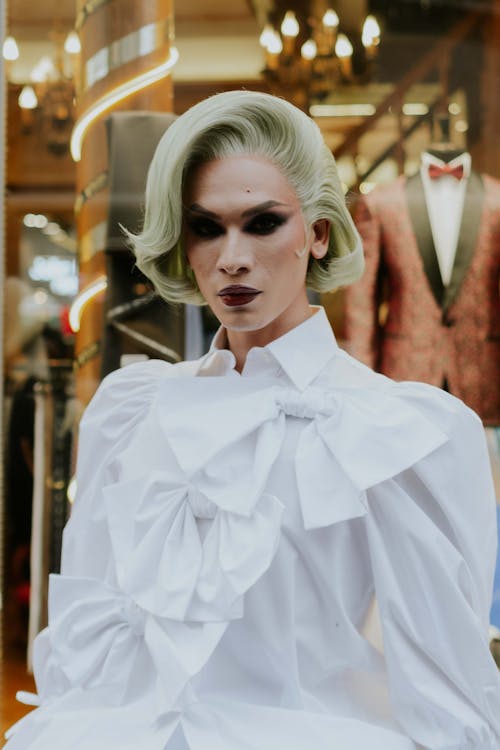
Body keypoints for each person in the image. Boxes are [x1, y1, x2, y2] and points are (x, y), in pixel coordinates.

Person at [5, 90, 500, 750]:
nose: (232, 258)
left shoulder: (402, 433)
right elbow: (93, 644)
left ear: (318, 232)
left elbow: (447, 686)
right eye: (207, 227)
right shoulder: (132, 413)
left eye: (263, 223)